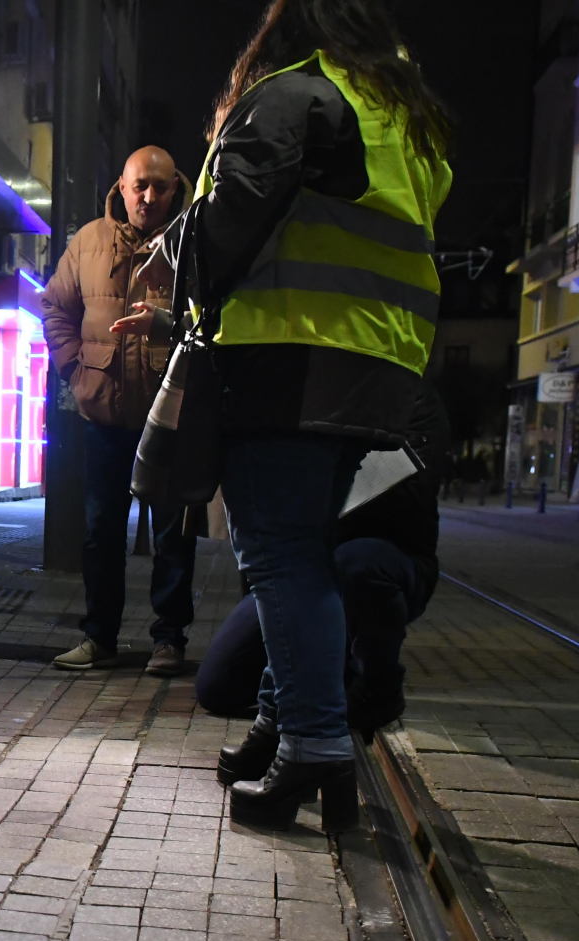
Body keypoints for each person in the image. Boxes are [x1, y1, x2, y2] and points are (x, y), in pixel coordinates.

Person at [128, 0, 452, 830]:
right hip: (381, 364)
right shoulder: (403, 119)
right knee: (303, 551)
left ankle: (314, 745)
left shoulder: (296, 94)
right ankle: (284, 724)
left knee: (278, 556)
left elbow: (227, 227)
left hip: (290, 358)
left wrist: (172, 253)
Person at [201, 382, 450, 745]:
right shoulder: (306, 391)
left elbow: (411, 490)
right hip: (303, 566)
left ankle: (374, 685)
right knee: (217, 687)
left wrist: (316, 486)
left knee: (355, 563)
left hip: (386, 556)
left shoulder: (413, 398)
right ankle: (298, 690)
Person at [43, 146, 195, 676]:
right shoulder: (88, 241)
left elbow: (214, 319)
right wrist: (74, 371)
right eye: (139, 186)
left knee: (173, 534)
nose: (148, 197)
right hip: (104, 416)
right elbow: (54, 307)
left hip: (171, 416)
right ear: (122, 187)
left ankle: (168, 640)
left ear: (175, 188)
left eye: (160, 187)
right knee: (99, 530)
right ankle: (99, 637)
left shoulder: (194, 242)